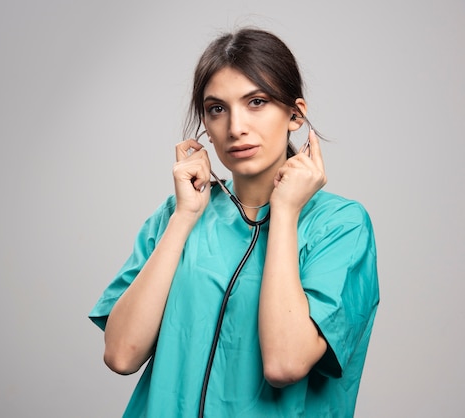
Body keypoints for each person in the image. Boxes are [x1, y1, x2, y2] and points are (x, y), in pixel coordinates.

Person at [89, 27, 379, 417]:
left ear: (295, 114)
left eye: (256, 102)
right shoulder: (178, 213)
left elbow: (285, 364)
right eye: (217, 108)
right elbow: (121, 355)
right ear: (205, 126)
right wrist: (184, 217)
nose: (236, 127)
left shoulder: (341, 226)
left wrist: (287, 212)